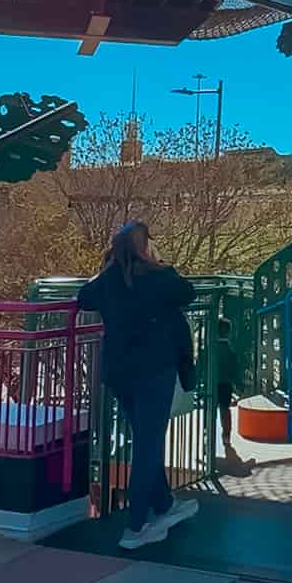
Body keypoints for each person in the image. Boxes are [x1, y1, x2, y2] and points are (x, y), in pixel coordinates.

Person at [77, 221, 199, 550]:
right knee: (149, 443)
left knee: (143, 438)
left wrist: (105, 269)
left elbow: (83, 298)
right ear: (145, 246)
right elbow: (189, 292)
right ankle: (137, 525)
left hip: (119, 372)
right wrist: (158, 262)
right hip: (154, 369)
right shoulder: (159, 277)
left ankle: (164, 505)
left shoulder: (107, 281)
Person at [215, 316, 255, 476]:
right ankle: (226, 437)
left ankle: (206, 434)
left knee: (209, 411)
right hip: (225, 384)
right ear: (228, 332)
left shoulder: (210, 349)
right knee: (225, 410)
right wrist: (240, 386)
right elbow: (234, 371)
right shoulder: (230, 351)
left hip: (212, 384)